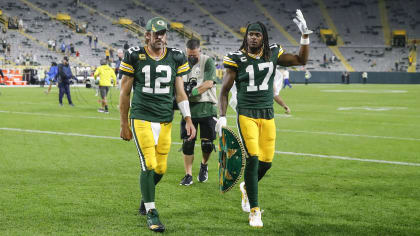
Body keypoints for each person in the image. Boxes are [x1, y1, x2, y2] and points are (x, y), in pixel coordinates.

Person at [218, 9, 311, 227]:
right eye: (250, 34)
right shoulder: (236, 58)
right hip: (246, 113)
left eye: (257, 34)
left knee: (266, 163)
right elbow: (223, 91)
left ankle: (246, 188)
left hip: (267, 114)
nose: (253, 37)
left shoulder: (274, 52)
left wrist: (305, 36)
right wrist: (222, 117)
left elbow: (299, 59)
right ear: (246, 36)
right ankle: (255, 210)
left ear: (263, 38)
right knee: (252, 158)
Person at [119, 17, 196, 233]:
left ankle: (146, 196)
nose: (160, 37)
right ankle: (152, 211)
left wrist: (188, 118)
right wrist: (124, 123)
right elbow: (125, 92)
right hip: (142, 116)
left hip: (165, 119)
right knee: (149, 165)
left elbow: (180, 92)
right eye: (156, 33)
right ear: (147, 35)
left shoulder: (176, 56)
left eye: (163, 33)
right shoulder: (135, 55)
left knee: (161, 168)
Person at [179, 38, 217, 186]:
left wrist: (191, 91)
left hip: (207, 106)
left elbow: (208, 83)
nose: (192, 57)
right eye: (189, 54)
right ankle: (188, 174)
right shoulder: (182, 62)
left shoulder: (208, 61)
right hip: (188, 108)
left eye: (194, 54)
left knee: (207, 144)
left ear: (200, 51)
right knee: (188, 143)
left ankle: (203, 165)